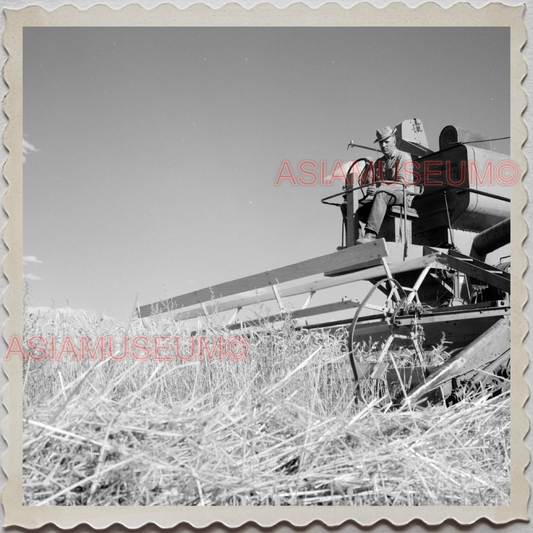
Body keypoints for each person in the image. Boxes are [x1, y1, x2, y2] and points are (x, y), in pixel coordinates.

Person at [356, 126, 413, 244]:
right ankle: (356, 237)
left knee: (381, 194)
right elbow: (367, 183)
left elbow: (402, 184)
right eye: (381, 143)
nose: (383, 145)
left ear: (394, 141)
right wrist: (369, 167)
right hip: (383, 196)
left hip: (402, 195)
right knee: (348, 206)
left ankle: (370, 236)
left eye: (386, 142)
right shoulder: (379, 162)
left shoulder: (403, 157)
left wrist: (379, 189)